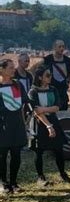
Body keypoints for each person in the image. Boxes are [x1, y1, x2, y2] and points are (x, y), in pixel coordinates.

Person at [28, 65, 70, 186]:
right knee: (39, 151)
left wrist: (44, 109)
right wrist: (48, 126)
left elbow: (57, 107)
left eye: (50, 75)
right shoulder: (33, 91)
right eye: (47, 75)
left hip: (53, 120)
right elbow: (36, 112)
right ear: (40, 77)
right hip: (39, 123)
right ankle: (40, 177)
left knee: (59, 149)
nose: (50, 77)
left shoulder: (53, 89)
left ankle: (63, 173)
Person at [0, 59, 30, 193]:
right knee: (2, 156)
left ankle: (13, 183)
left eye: (13, 68)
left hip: (17, 125)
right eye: (11, 68)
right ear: (2, 70)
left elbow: (24, 105)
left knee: (16, 155)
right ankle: (3, 183)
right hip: (2, 126)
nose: (14, 70)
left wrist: (25, 123)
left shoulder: (17, 85)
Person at [42, 40, 70, 110]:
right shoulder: (47, 60)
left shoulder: (68, 61)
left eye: (63, 46)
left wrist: (68, 81)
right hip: (51, 91)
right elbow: (36, 69)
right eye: (59, 47)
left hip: (63, 92)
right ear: (54, 48)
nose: (62, 48)